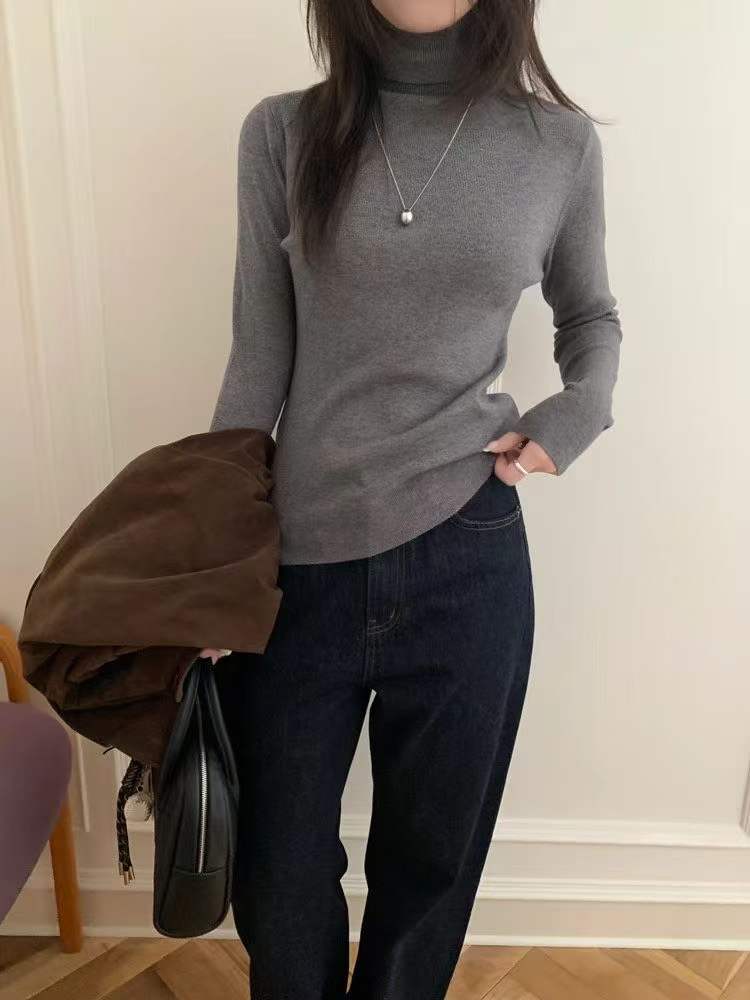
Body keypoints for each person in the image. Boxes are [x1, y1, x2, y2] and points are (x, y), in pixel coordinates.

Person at [211, 1, 622, 997]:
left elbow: (591, 317)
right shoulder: (283, 132)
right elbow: (257, 360)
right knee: (277, 873)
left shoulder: (558, 146)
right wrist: (212, 559)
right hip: (293, 567)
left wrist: (577, 414)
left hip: (468, 552)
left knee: (432, 868)